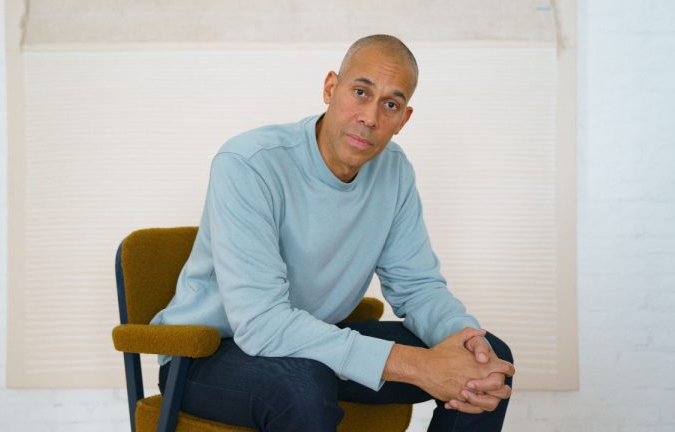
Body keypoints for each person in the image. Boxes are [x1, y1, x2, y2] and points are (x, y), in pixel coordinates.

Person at [151, 34, 516, 431]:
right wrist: (418, 365)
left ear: (403, 119)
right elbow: (261, 325)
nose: (371, 118)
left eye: (390, 104)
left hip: (311, 344)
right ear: (330, 88)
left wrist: (464, 339)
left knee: (488, 363)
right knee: (301, 386)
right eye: (361, 92)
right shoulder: (248, 163)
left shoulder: (393, 171)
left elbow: (418, 287)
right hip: (207, 355)